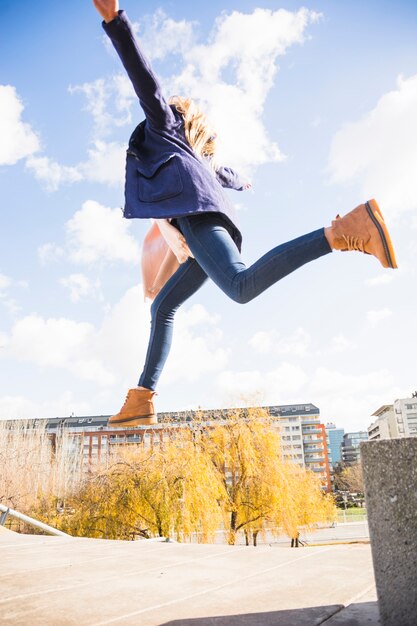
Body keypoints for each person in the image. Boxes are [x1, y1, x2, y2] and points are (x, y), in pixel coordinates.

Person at [92, 1, 398, 428]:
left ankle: (343, 231)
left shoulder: (165, 128)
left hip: (201, 220)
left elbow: (147, 83)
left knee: (240, 287)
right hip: (204, 226)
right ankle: (143, 396)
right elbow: (222, 171)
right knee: (163, 306)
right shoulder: (197, 158)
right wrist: (239, 179)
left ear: (177, 120)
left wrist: (115, 21)